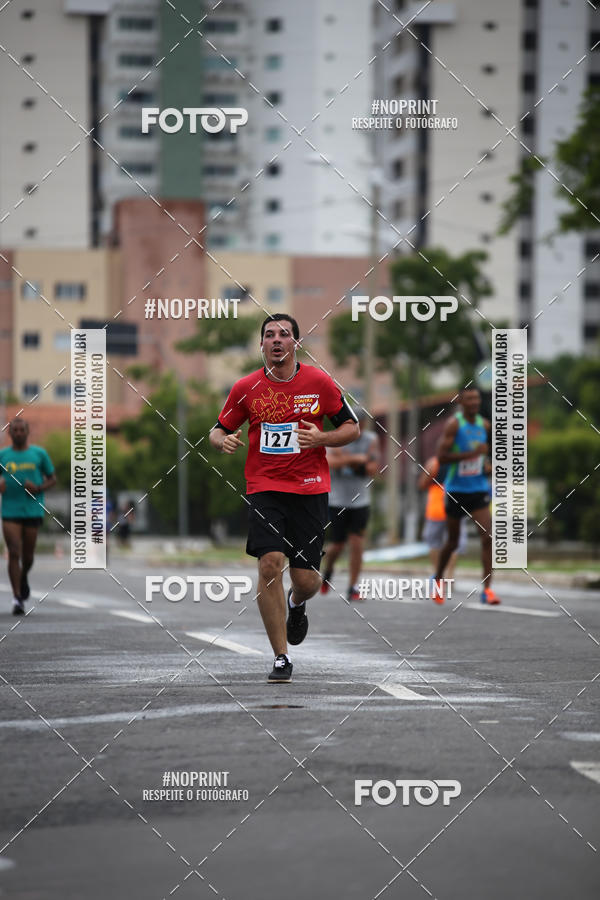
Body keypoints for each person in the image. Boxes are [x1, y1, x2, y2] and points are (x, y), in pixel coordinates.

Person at [209, 314, 359, 683]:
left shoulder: (319, 382)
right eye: (269, 335)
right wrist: (223, 441)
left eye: (285, 334)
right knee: (269, 563)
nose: (277, 340)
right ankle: (280, 657)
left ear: (296, 343)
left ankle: (297, 604)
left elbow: (352, 427)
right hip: (265, 487)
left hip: (310, 488)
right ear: (261, 345)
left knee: (307, 580)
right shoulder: (245, 387)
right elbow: (217, 429)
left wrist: (321, 439)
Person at [433, 387, 500, 605]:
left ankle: (487, 590)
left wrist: (485, 465)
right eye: (469, 399)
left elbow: (484, 457)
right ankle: (438, 578)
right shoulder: (455, 424)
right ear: (461, 402)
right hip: (456, 491)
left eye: (477, 398)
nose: (474, 402)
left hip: (478, 489)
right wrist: (471, 455)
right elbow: (441, 457)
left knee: (488, 538)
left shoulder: (484, 425)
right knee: (452, 542)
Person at [320, 414, 380, 601]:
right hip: (337, 500)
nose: (357, 426)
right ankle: (328, 571)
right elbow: (329, 463)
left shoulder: (371, 439)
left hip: (361, 501)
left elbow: (372, 469)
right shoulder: (333, 438)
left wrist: (346, 458)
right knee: (337, 545)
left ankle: (353, 587)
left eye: (360, 422)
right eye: (353, 422)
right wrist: (356, 459)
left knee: (357, 543)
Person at [0, 418, 56, 615]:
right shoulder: (3, 455)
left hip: (33, 509)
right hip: (9, 510)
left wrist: (39, 487)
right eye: (14, 430)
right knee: (14, 551)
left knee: (28, 556)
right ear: (10, 434)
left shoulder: (39, 454)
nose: (18, 433)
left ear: (27, 431)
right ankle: (17, 598)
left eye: (21, 430)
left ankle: (24, 576)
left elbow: (53, 479)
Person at [418, 455, 467, 586]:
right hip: (453, 505)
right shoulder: (461, 462)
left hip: (438, 507)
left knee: (435, 542)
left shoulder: (434, 462)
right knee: (453, 542)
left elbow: (422, 484)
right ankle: (448, 577)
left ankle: (438, 574)